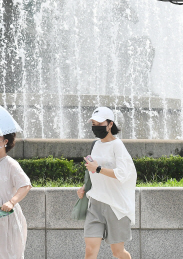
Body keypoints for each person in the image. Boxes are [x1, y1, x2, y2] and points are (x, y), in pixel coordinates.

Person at [77, 107, 137, 259]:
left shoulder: (118, 145)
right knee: (90, 250)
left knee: (118, 252)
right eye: (94, 124)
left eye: (99, 124)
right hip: (95, 204)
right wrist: (85, 186)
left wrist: (98, 168)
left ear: (110, 125)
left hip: (115, 206)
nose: (96, 127)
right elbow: (92, 171)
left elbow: (123, 173)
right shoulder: (95, 144)